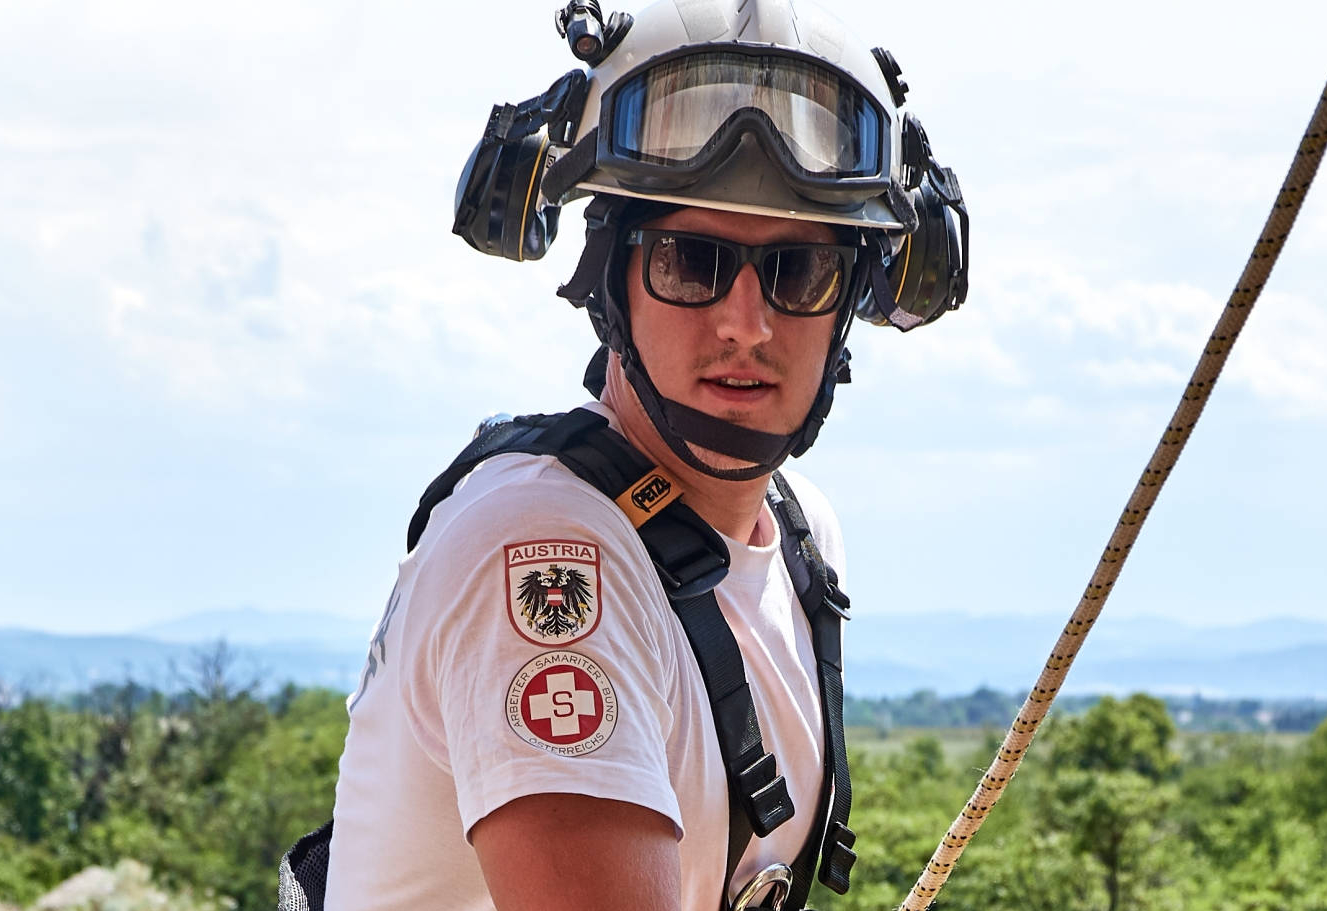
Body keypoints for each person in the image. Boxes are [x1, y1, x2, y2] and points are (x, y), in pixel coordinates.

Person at [294, 1, 968, 909]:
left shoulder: (803, 539)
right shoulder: (544, 553)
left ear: (851, 303)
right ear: (611, 279)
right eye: (691, 261)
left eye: (799, 271)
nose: (746, 322)